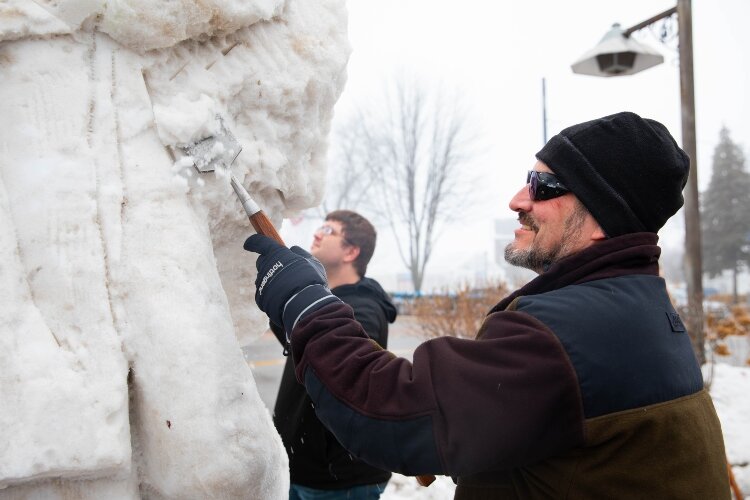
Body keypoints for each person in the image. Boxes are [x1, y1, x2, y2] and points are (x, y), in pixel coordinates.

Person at [245, 112, 730, 499]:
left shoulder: (572, 332)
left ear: (604, 216)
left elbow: (385, 410)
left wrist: (304, 302)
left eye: (544, 186)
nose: (517, 199)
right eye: (527, 179)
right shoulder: (638, 307)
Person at [269, 210, 397, 499]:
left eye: (329, 231)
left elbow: (338, 362)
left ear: (351, 251)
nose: (317, 233)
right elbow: (296, 341)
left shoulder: (364, 307)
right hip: (300, 467)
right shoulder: (322, 300)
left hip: (338, 480)